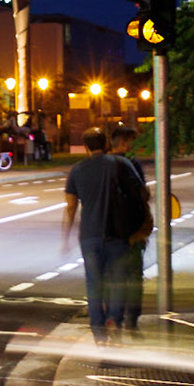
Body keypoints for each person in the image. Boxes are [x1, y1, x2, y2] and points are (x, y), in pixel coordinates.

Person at [61, 127, 152, 342]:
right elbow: (142, 193)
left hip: (90, 236)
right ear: (107, 145)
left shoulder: (77, 170)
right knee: (119, 281)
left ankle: (98, 331)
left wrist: (65, 238)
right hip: (119, 235)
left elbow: (71, 206)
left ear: (85, 147)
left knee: (94, 284)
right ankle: (114, 320)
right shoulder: (122, 164)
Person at [110, 123, 149, 331]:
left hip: (107, 233)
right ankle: (131, 320)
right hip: (132, 232)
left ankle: (113, 318)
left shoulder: (102, 165)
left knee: (112, 277)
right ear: (124, 143)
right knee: (133, 277)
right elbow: (143, 195)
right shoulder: (131, 165)